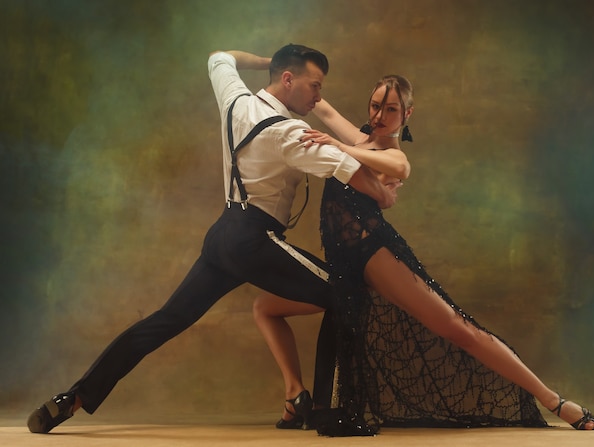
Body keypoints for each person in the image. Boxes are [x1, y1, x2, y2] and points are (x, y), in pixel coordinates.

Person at [26, 44, 395, 434]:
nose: (319, 97)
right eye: (314, 86)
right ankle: (322, 410)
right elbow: (346, 168)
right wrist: (384, 194)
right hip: (254, 239)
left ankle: (74, 397)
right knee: (346, 292)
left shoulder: (235, 99)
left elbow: (220, 57)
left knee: (167, 320)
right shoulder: (289, 132)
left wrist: (265, 61)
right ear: (288, 79)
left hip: (222, 236)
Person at [253, 74, 594, 434]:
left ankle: (553, 400)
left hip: (374, 254)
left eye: (391, 109)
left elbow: (396, 167)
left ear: (407, 114)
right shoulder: (361, 138)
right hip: (344, 265)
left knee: (457, 327)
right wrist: (275, 69)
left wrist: (336, 147)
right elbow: (319, 104)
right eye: (375, 106)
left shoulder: (393, 155)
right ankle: (295, 394)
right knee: (265, 307)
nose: (379, 115)